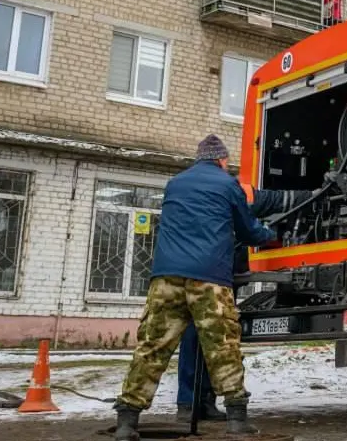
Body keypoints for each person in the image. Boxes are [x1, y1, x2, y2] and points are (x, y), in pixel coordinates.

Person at [113, 135, 277, 440]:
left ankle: (127, 421)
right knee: (222, 346)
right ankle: (237, 422)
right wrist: (270, 234)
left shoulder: (174, 183)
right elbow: (248, 230)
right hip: (208, 278)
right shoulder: (228, 184)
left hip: (165, 277)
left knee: (152, 346)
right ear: (222, 160)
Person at [175, 183, 315, 423]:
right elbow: (267, 207)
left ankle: (191, 404)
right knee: (217, 339)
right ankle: (225, 408)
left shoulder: (187, 194)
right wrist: (272, 235)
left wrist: (310, 194)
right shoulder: (231, 191)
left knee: (195, 337)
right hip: (214, 272)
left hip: (189, 269)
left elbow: (273, 200)